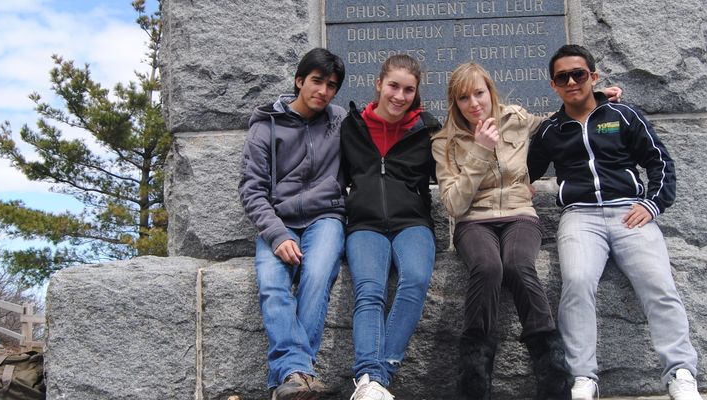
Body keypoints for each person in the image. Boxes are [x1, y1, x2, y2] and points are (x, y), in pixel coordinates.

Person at [432, 62, 621, 400]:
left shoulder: (516, 119)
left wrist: (597, 96)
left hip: (520, 214)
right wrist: (479, 150)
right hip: (472, 221)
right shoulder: (444, 142)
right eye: (464, 98)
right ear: (454, 102)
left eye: (479, 93)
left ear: (490, 92)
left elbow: (554, 120)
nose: (474, 103)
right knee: (488, 267)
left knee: (518, 265)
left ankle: (553, 378)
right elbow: (453, 205)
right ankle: (473, 383)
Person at [527, 44, 702, 400]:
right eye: (563, 77)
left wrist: (653, 205)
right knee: (576, 282)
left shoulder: (623, 116)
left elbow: (660, 163)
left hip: (629, 213)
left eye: (579, 74)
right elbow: (523, 170)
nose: (572, 81)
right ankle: (583, 377)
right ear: (553, 85)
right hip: (580, 217)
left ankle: (681, 373)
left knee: (658, 283)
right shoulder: (550, 131)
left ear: (593, 77)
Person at [238, 47, 347, 400]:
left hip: (326, 217)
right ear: (299, 81)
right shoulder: (265, 126)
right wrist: (277, 234)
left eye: (331, 85)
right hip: (278, 220)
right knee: (273, 285)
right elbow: (251, 190)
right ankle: (300, 374)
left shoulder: (341, 122)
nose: (323, 91)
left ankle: (289, 377)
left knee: (317, 276)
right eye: (317, 81)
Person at [340, 54, 441, 400]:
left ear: (416, 92)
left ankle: (374, 381)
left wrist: (600, 106)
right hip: (364, 225)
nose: (400, 96)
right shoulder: (351, 126)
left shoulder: (427, 129)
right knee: (370, 291)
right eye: (394, 86)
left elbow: (463, 149)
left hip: (412, 223)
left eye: (408, 90)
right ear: (379, 84)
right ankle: (371, 377)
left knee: (414, 280)